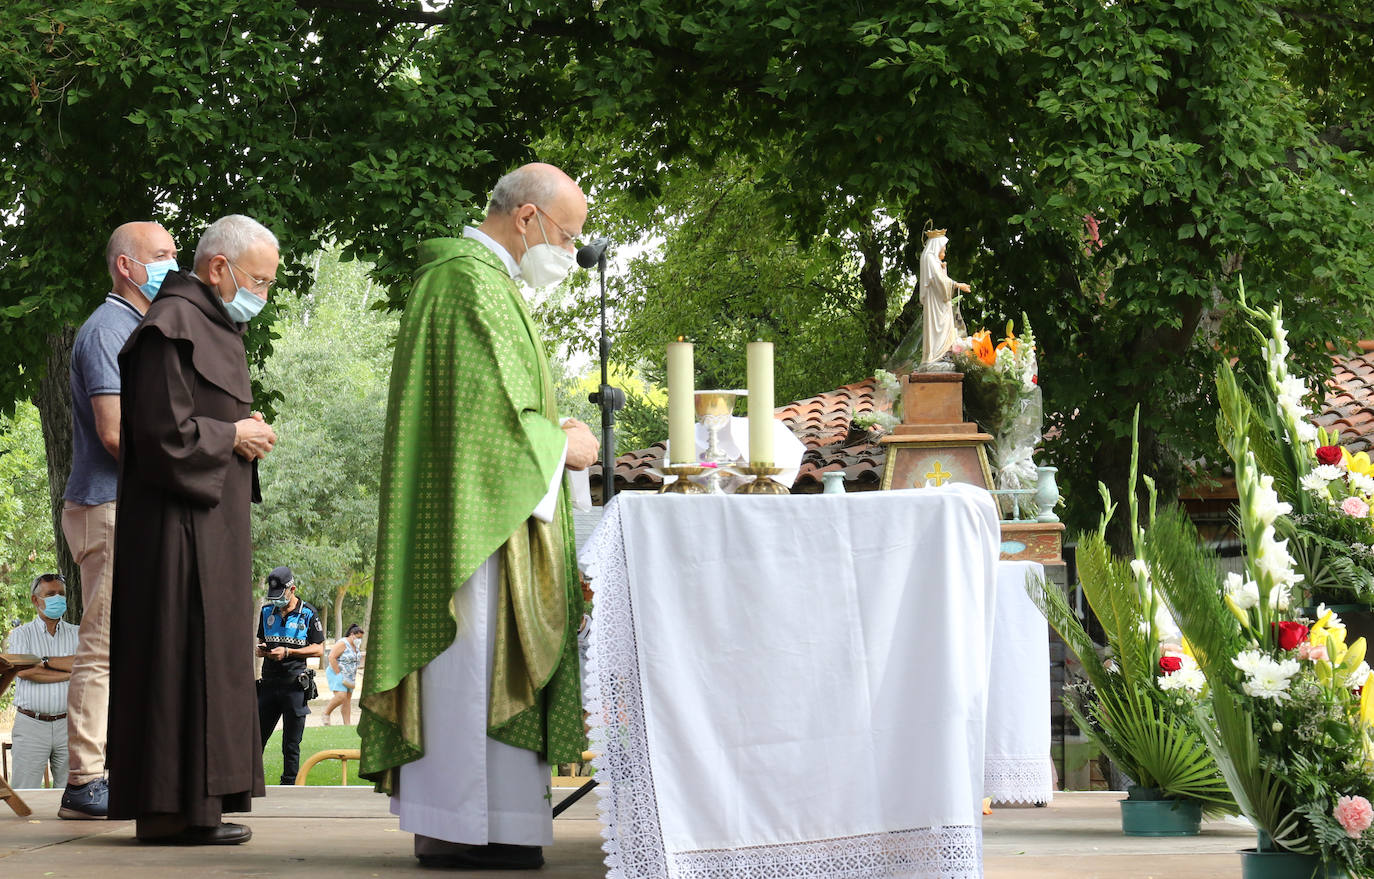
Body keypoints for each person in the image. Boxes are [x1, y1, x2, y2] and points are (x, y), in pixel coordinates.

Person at [360, 162, 599, 871]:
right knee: (472, 659)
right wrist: (564, 444)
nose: (571, 253)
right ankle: (466, 826)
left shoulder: (483, 282)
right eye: (567, 235)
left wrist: (551, 431)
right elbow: (489, 421)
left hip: (487, 506)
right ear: (526, 217)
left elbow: (493, 407)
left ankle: (488, 822)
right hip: (473, 523)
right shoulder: (468, 280)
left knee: (481, 663)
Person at [105, 214, 280, 845]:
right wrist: (232, 434)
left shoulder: (206, 324)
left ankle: (200, 808)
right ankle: (171, 812)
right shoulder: (168, 327)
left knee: (211, 659)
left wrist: (242, 428)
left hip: (211, 524)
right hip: (176, 531)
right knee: (178, 656)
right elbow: (156, 437)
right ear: (218, 269)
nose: (262, 295)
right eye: (257, 280)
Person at [59, 221, 178, 820]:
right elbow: (113, 433)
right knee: (103, 648)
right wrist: (188, 457)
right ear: (126, 267)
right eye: (160, 256)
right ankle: (83, 781)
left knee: (131, 646)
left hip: (128, 505)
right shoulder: (108, 329)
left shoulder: (141, 328)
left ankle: (123, 770)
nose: (172, 264)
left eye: (175, 254)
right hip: (106, 506)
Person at [5, 574, 79, 789]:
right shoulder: (21, 635)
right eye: (50, 594)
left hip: (69, 724)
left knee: (70, 794)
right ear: (35, 600)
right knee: (25, 791)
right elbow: (24, 672)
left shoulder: (78, 633)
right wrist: (69, 672)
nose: (58, 599)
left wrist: (43, 661)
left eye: (61, 594)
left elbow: (84, 663)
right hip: (31, 725)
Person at [256, 565, 325, 783]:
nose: (277, 601)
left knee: (291, 744)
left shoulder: (308, 613)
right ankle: (250, 784)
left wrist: (289, 652)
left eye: (280, 596)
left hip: (294, 685)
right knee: (255, 739)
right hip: (268, 684)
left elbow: (319, 648)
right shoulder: (267, 612)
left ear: (292, 589)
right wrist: (261, 649)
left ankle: (289, 785)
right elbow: (261, 640)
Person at [918, 228, 972, 368]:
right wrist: (958, 285)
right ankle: (936, 355)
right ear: (937, 246)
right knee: (938, 328)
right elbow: (939, 281)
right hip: (936, 302)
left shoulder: (932, 259)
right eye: (944, 248)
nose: (945, 251)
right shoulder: (930, 258)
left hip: (939, 301)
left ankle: (942, 354)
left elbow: (940, 278)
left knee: (943, 327)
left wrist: (943, 269)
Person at [322, 623, 364, 726]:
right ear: (352, 634)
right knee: (341, 696)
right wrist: (338, 673)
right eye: (358, 637)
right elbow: (331, 657)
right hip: (338, 672)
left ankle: (347, 724)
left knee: (347, 700)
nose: (359, 640)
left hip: (350, 676)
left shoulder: (356, 647)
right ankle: (326, 713)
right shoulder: (343, 643)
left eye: (361, 638)